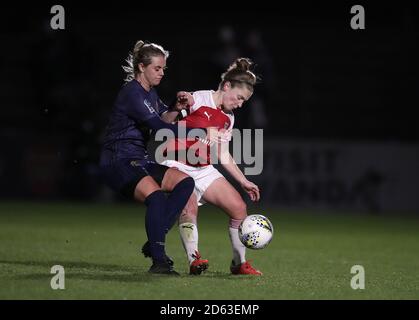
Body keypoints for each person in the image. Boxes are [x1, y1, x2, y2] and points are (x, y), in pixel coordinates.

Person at [99, 40, 207, 275]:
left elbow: (164, 119)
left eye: (163, 69)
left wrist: (176, 108)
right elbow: (159, 128)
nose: (161, 73)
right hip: (118, 160)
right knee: (157, 199)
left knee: (186, 183)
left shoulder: (150, 92)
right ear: (141, 67)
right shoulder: (132, 93)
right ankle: (159, 262)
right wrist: (198, 132)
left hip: (137, 158)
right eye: (157, 68)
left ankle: (156, 237)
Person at [159, 58, 263, 275]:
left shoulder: (229, 117)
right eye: (239, 97)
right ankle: (193, 259)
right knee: (189, 209)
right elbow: (164, 124)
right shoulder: (198, 98)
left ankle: (239, 263)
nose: (240, 104)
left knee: (238, 208)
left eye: (244, 101)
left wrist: (243, 181)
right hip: (178, 164)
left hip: (203, 169)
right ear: (227, 86)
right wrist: (176, 104)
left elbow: (223, 154)